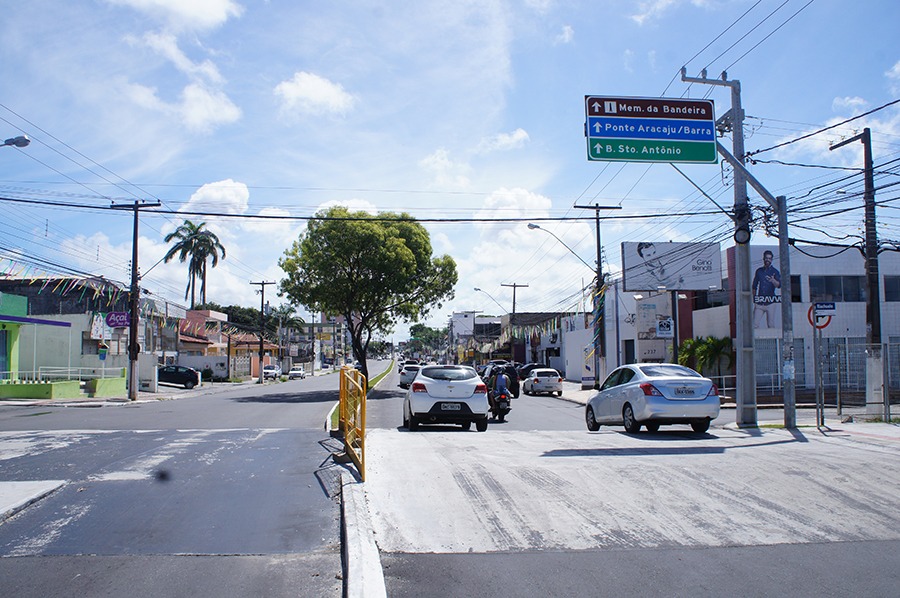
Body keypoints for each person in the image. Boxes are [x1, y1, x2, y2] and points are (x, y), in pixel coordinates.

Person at [752, 250, 781, 328]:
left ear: (771, 260)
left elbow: (779, 285)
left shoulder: (775, 272)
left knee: (771, 324)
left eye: (769, 258)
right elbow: (754, 285)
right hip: (760, 301)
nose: (768, 260)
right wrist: (754, 298)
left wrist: (773, 280)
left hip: (770, 301)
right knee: (754, 324)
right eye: (766, 258)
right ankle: (754, 339)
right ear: (763, 258)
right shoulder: (759, 271)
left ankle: (773, 340)